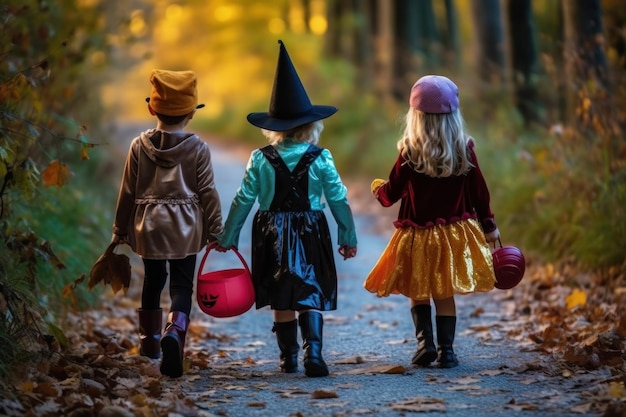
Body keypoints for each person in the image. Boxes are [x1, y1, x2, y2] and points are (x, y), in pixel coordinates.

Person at [216, 40, 358, 378]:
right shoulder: (321, 157)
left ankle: (288, 358)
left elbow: (243, 199)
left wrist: (229, 235)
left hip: (272, 230)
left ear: (273, 127)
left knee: (280, 291)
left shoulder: (259, 158)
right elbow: (338, 198)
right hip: (311, 227)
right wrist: (347, 234)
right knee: (309, 289)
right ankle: (315, 354)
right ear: (312, 126)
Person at [363, 75, 500, 369]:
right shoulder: (465, 149)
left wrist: (378, 191)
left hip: (418, 234)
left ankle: (425, 345)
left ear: (416, 116)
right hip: (454, 236)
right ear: (454, 116)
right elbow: (480, 193)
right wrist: (489, 226)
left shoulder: (410, 152)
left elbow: (393, 192)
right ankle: (447, 352)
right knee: (444, 291)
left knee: (418, 290)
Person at [111, 69, 223, 378]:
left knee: (153, 279)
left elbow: (128, 191)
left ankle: (150, 341)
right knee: (181, 284)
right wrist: (216, 228)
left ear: (151, 108)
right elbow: (207, 192)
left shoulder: (138, 146)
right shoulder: (198, 148)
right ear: (191, 113)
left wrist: (120, 228)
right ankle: (176, 331)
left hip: (149, 226)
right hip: (185, 227)